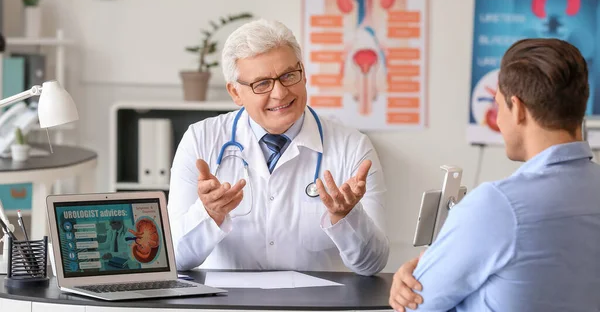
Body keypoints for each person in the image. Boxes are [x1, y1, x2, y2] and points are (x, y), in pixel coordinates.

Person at [389, 38, 600, 311]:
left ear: (519, 109)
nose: (498, 120)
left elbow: (414, 307)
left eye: (498, 105)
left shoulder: (497, 206)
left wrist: (414, 273)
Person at [167, 19, 389, 275]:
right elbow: (174, 258)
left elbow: (372, 265)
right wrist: (209, 213)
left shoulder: (352, 147)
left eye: (288, 76)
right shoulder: (200, 139)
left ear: (303, 74)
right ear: (235, 93)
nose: (280, 93)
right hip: (228, 305)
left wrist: (347, 217)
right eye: (262, 84)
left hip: (315, 307)